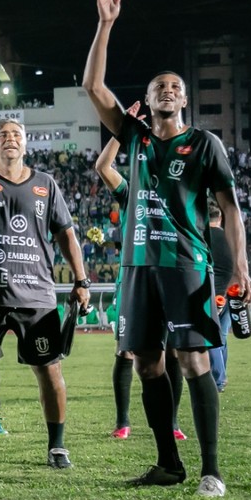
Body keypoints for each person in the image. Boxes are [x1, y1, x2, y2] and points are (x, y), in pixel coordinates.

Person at [82, 0, 251, 497]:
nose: (168, 90)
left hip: (186, 265)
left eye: (176, 86)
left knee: (193, 359)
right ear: (149, 100)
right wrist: (105, 25)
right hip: (137, 268)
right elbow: (93, 87)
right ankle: (168, 463)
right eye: (159, 87)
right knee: (147, 362)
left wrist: (241, 268)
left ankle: (211, 469)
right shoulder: (130, 138)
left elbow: (230, 207)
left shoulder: (204, 145)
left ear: (184, 100)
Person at [0, 102, 90, 471]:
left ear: (26, 145)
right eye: (3, 136)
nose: (10, 139)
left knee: (50, 372)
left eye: (16, 135)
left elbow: (67, 235)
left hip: (37, 296)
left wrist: (81, 280)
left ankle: (57, 446)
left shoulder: (46, 184)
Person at [94, 118, 188, 441]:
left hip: (170, 276)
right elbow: (103, 166)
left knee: (173, 350)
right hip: (134, 279)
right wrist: (121, 133)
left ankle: (173, 423)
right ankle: (123, 422)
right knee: (126, 351)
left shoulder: (176, 191)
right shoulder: (130, 191)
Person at [206, 204, 232, 392]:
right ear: (220, 218)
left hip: (211, 294)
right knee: (221, 336)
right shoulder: (232, 238)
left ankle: (218, 378)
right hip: (230, 293)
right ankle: (221, 375)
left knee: (211, 338)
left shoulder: (203, 238)